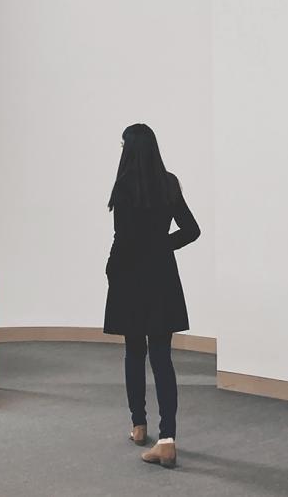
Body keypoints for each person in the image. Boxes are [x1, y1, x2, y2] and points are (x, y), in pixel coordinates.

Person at [104, 123, 200, 470]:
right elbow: (192, 230)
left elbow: (122, 240)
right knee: (162, 358)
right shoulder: (169, 183)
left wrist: (111, 270)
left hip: (130, 279)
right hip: (162, 279)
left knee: (134, 353)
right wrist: (162, 246)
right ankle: (168, 439)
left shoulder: (124, 186)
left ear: (129, 149)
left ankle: (139, 426)